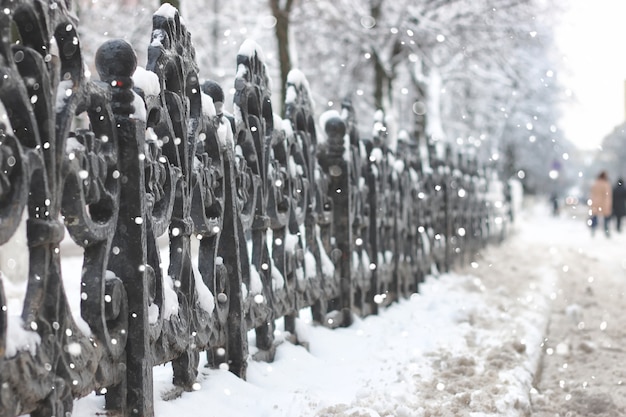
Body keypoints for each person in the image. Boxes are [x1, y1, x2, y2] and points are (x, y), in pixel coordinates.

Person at [589, 171, 612, 237]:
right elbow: (607, 196)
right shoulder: (606, 184)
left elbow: (592, 194)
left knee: (594, 217)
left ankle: (593, 230)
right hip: (604, 203)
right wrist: (608, 205)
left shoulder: (595, 183)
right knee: (606, 219)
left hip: (595, 203)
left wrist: (592, 203)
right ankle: (606, 231)